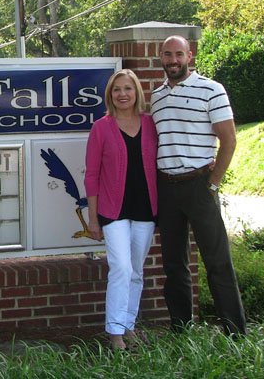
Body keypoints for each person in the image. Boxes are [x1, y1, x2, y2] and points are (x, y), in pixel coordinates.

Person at [151, 35, 246, 336]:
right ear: (161, 57)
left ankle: (235, 332)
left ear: (190, 56)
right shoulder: (157, 96)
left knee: (217, 261)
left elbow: (229, 140)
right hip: (167, 187)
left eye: (179, 54)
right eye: (168, 55)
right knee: (174, 265)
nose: (173, 60)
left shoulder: (211, 90)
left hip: (199, 185)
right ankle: (181, 329)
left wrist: (213, 183)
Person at [84, 69, 158, 350]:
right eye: (117, 90)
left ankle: (129, 325)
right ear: (110, 95)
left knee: (136, 271)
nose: (123, 94)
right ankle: (114, 332)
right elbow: (91, 175)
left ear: (136, 92)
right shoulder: (101, 127)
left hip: (145, 209)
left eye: (128, 88)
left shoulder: (151, 125)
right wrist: (93, 218)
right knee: (121, 268)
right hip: (112, 211)